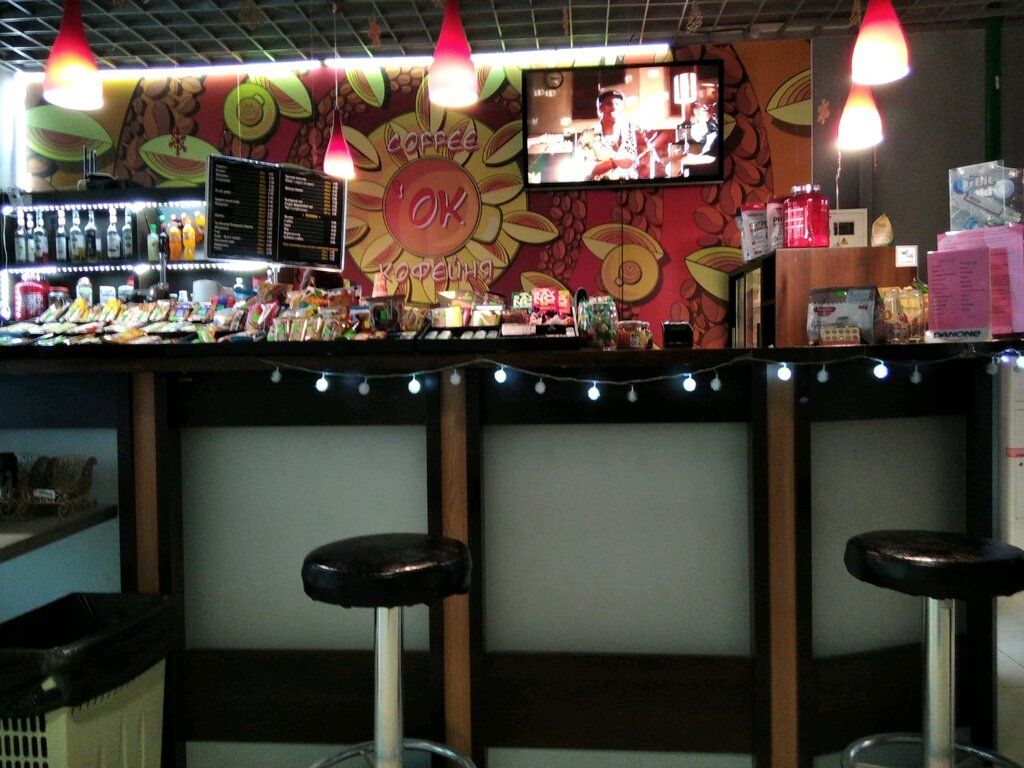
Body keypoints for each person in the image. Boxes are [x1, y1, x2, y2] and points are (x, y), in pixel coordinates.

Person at [577, 89, 639, 181]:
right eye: (609, 104)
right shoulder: (588, 134)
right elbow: (591, 169)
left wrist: (611, 161)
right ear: (600, 108)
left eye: (617, 104)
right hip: (599, 186)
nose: (614, 107)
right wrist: (616, 162)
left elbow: (631, 162)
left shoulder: (628, 130)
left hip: (627, 185)